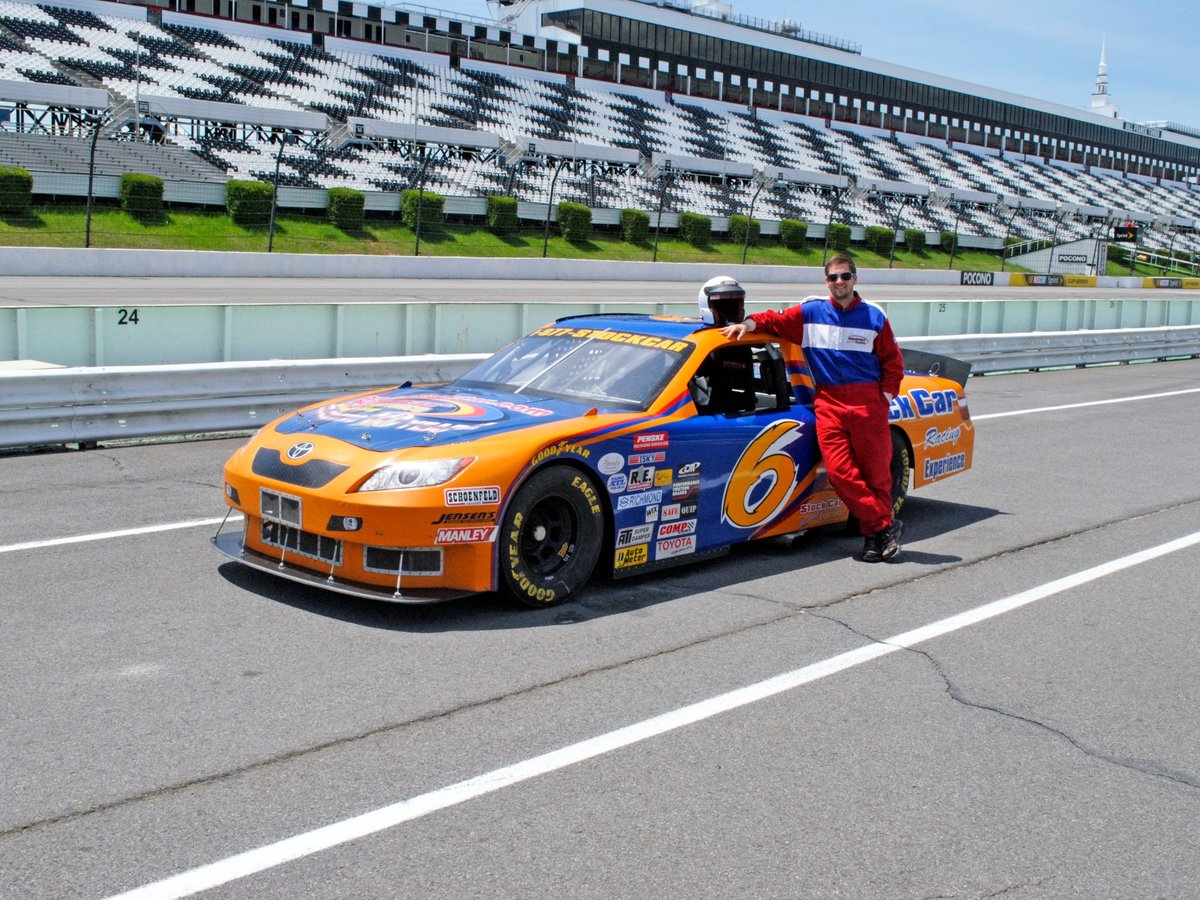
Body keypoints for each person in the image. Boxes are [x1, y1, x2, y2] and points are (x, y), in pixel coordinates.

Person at [719, 257, 905, 562]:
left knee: (877, 476)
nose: (839, 282)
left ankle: (874, 539)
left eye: (845, 276)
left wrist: (883, 398)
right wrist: (748, 323)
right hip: (829, 402)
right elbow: (774, 320)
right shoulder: (810, 312)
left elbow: (893, 362)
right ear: (827, 282)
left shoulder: (874, 316)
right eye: (833, 278)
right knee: (839, 473)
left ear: (855, 279)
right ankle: (885, 526)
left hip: (867, 402)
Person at [693, 276, 756, 414]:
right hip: (708, 414)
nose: (729, 312)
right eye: (722, 306)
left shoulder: (746, 339)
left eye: (734, 305)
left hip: (741, 418)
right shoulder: (697, 339)